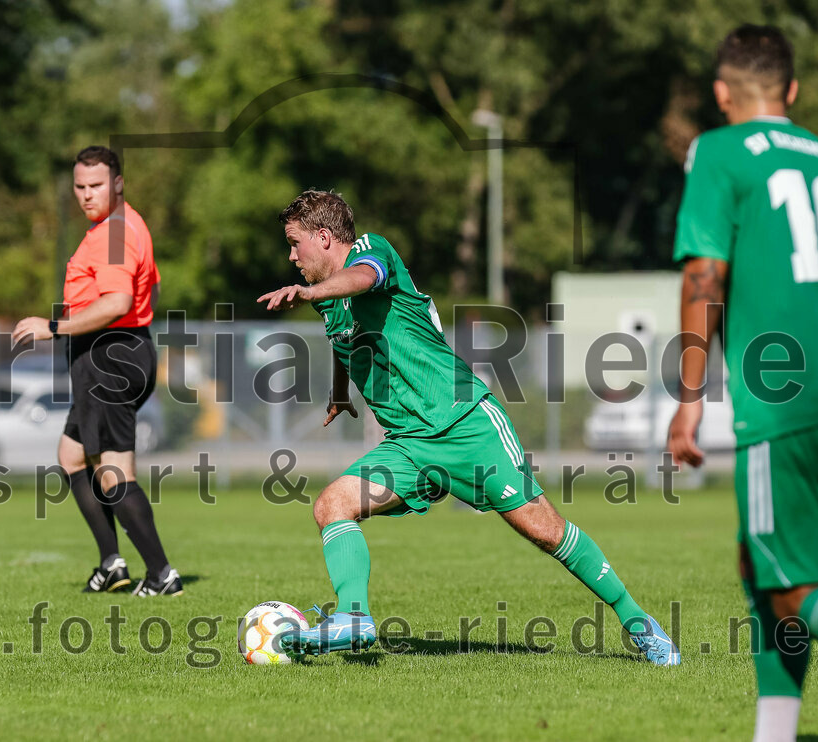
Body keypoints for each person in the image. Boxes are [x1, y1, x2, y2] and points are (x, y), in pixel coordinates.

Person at [258, 189, 679, 664]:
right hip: (410, 445)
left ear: (324, 236)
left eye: (295, 244)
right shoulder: (328, 299)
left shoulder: (372, 252)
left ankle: (640, 622)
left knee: (544, 531)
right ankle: (354, 617)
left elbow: (362, 280)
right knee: (332, 505)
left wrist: (312, 290)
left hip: (466, 424)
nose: (291, 257)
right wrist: (340, 391)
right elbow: (344, 337)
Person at [668, 25, 818, 742]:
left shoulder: (717, 150)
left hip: (787, 398)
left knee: (790, 582)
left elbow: (704, 273)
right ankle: (774, 733)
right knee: (760, 564)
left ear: (721, 93)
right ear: (793, 92)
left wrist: (688, 400)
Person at [12, 146, 182, 597]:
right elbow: (153, 287)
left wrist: (55, 327)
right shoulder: (126, 224)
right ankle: (112, 563)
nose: (87, 195)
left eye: (97, 185)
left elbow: (117, 302)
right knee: (71, 456)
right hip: (122, 351)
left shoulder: (114, 234)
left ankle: (162, 574)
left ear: (119, 182)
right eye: (80, 187)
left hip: (110, 357)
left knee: (114, 472)